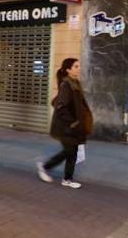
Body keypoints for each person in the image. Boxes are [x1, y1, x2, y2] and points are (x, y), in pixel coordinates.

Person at [37, 58, 93, 189]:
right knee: (69, 151)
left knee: (72, 152)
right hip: (66, 127)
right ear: (68, 70)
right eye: (76, 66)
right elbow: (61, 107)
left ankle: (67, 179)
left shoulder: (75, 83)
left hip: (74, 126)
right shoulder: (67, 85)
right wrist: (73, 122)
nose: (79, 68)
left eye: (79, 66)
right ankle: (45, 167)